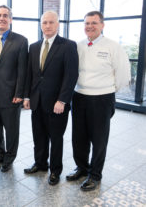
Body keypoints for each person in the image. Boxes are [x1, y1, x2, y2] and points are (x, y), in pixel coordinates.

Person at [66, 11, 131, 191]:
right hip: (79, 97)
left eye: (94, 23)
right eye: (87, 23)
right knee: (79, 137)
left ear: (102, 25)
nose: (90, 26)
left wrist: (108, 90)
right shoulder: (78, 45)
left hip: (102, 99)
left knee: (99, 138)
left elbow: (123, 74)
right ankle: (81, 167)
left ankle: (95, 175)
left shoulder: (113, 46)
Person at [23, 11, 78, 185]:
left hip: (57, 104)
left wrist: (62, 100)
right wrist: (26, 96)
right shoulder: (34, 46)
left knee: (55, 138)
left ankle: (55, 170)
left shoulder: (68, 46)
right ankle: (40, 164)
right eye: (44, 22)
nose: (47, 25)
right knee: (38, 135)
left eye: (51, 22)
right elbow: (29, 75)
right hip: (37, 101)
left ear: (58, 24)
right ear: (40, 25)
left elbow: (71, 75)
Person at [0, 5, 28, 173]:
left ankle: (9, 158)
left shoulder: (21, 41)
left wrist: (19, 93)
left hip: (11, 95)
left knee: (11, 129)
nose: (1, 18)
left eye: (5, 15)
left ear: (10, 19)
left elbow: (23, 70)